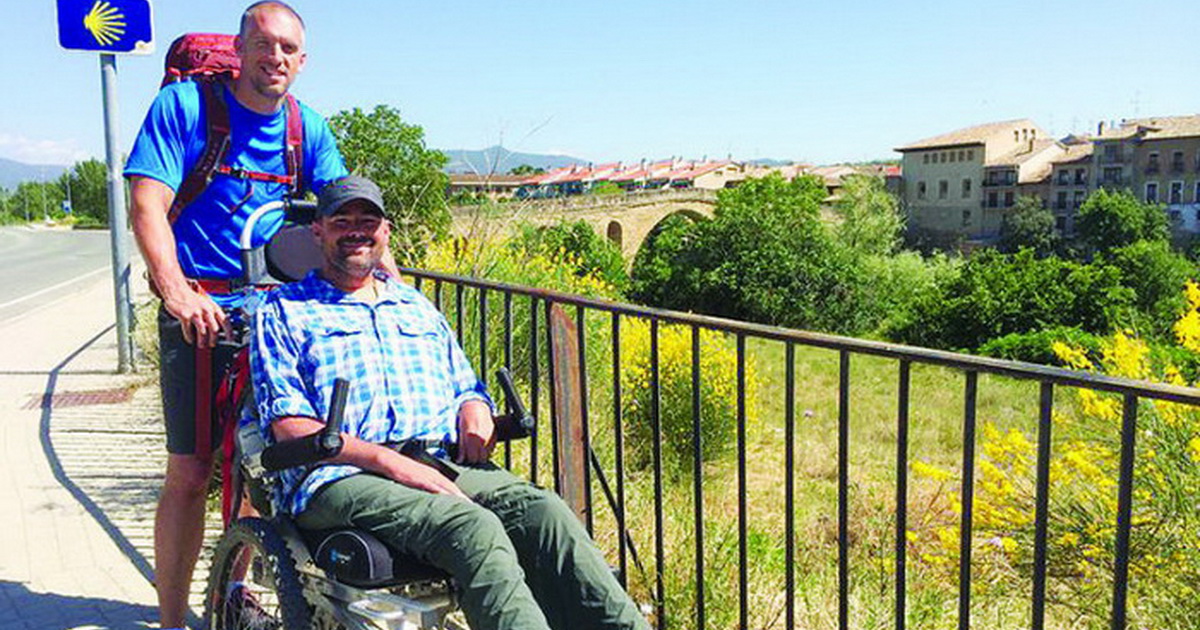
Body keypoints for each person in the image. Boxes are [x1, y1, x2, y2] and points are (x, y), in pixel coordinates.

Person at [250, 175, 651, 630]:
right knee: (471, 526)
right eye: (342, 221)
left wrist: (474, 408)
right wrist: (391, 464)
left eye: (368, 221)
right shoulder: (284, 310)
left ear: (386, 231)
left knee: (544, 513)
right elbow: (288, 425)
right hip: (341, 474)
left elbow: (465, 385)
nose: (356, 231)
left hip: (438, 460)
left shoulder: (415, 306)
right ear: (317, 231)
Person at [123, 3, 349, 628]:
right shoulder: (187, 108)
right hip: (200, 313)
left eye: (288, 49)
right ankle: (173, 619)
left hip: (278, 318)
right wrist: (176, 292)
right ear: (240, 48)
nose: (275, 57)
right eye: (264, 44)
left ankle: (234, 584)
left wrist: (387, 283)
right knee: (192, 471)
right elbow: (147, 204)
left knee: (265, 463)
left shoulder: (306, 128)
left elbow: (341, 215)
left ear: (302, 61)